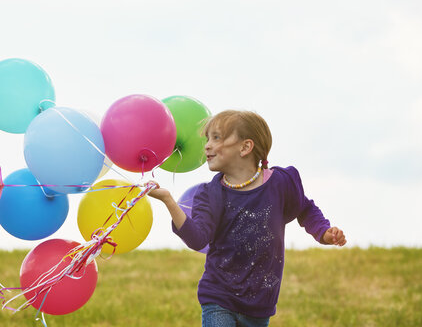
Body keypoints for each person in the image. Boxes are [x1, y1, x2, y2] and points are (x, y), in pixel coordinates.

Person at [148, 110, 346, 327]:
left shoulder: (280, 183)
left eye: (216, 138)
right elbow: (197, 239)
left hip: (259, 305)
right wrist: (168, 200)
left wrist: (323, 232)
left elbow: (304, 208)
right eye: (207, 139)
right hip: (219, 296)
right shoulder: (209, 194)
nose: (206, 145)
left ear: (245, 147)